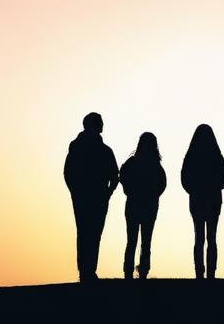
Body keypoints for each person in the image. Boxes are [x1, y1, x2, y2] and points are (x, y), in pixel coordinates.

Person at [63, 112, 119, 283]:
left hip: (92, 198)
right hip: (90, 197)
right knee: (90, 234)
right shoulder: (88, 148)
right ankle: (86, 272)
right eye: (100, 123)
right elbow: (68, 173)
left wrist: (107, 194)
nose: (103, 126)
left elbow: (114, 176)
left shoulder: (97, 149)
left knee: (89, 234)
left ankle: (87, 272)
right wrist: (106, 193)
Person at [181, 123, 224, 279]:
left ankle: (199, 273)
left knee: (199, 237)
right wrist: (214, 187)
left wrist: (194, 190)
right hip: (214, 199)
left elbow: (184, 178)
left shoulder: (191, 156)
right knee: (212, 238)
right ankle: (211, 273)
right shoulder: (216, 156)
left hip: (197, 200)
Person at [119, 132, 167, 279]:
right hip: (150, 206)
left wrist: (129, 191)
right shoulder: (156, 166)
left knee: (131, 240)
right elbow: (163, 184)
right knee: (146, 241)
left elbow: (122, 177)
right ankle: (143, 271)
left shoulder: (131, 163)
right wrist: (154, 195)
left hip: (133, 204)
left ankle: (128, 271)